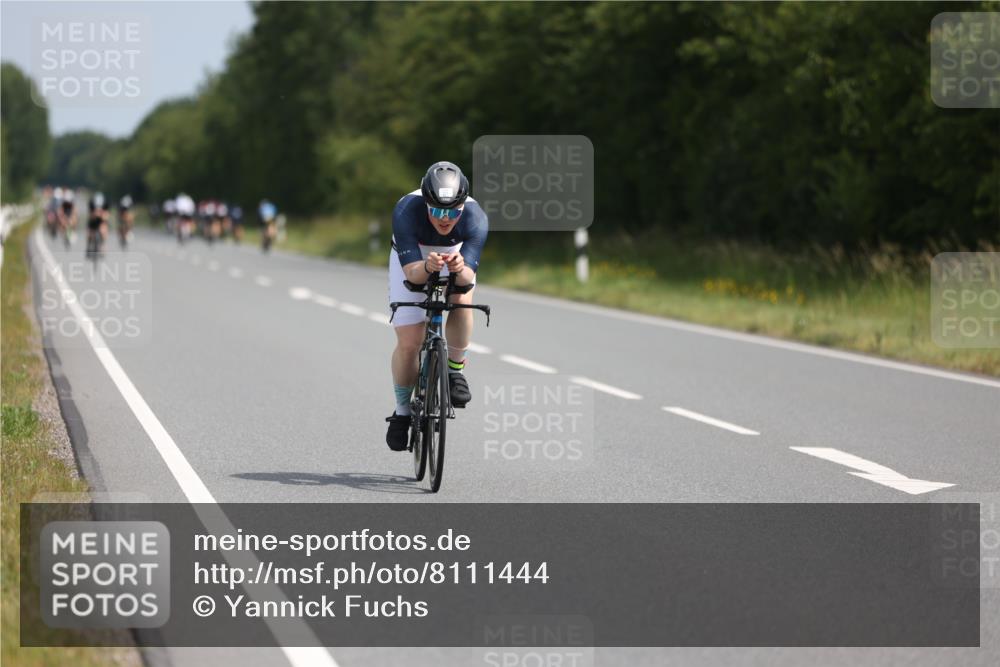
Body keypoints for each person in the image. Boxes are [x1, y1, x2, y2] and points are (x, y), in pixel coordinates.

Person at [384, 161, 488, 451]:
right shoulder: (406, 210)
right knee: (410, 341)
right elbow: (413, 275)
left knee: (462, 300)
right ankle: (402, 412)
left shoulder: (476, 218)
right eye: (438, 211)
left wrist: (459, 267)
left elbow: (467, 279)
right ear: (426, 203)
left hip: (456, 253)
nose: (445, 219)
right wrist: (427, 266)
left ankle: (455, 370)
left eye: (453, 212)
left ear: (462, 208)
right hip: (415, 256)